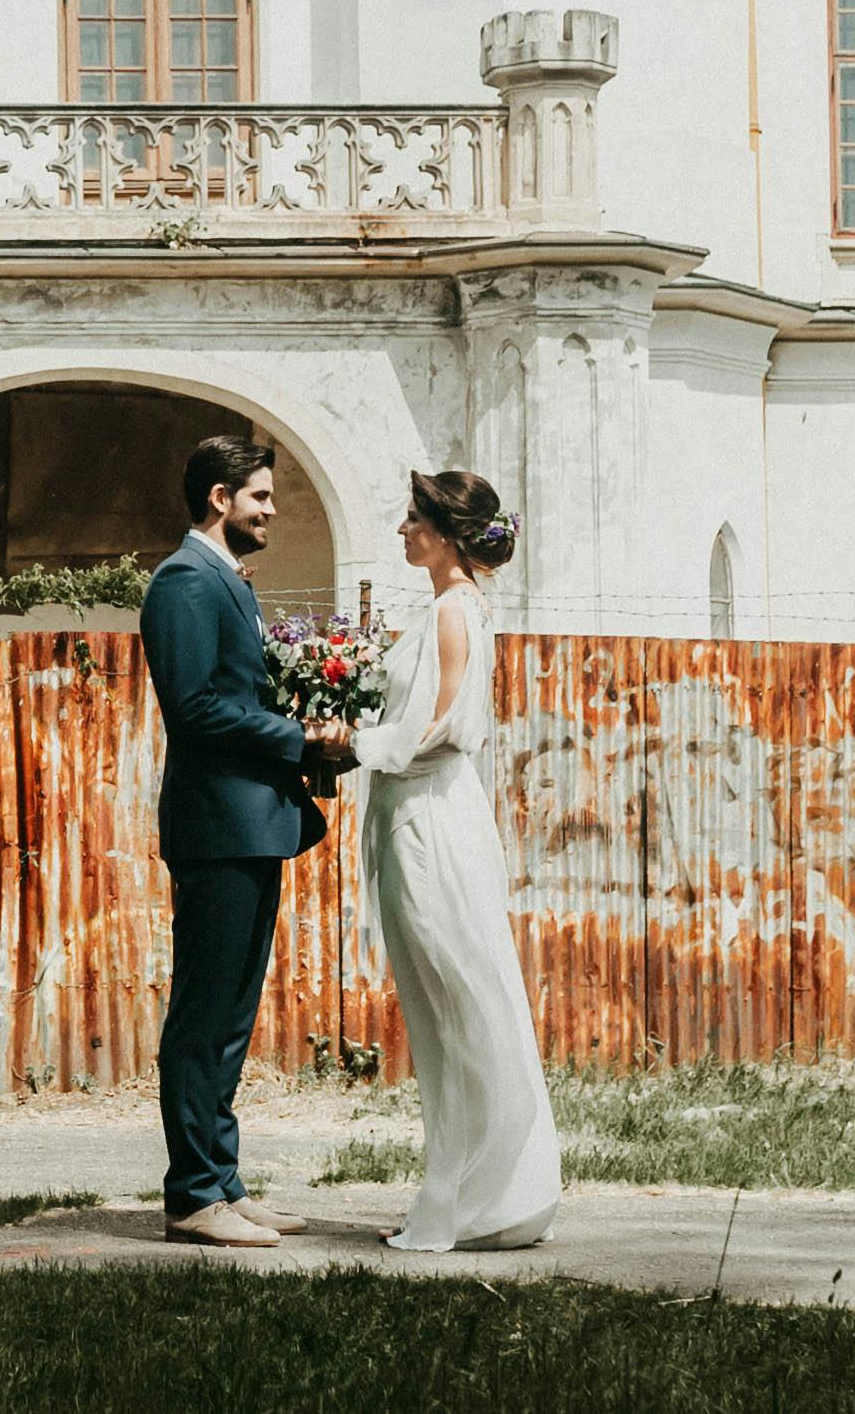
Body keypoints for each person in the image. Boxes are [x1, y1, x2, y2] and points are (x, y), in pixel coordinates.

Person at [310, 469, 561, 1252]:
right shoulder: (453, 609)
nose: (401, 531)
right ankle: (467, 1193)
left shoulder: (456, 611)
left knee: (459, 1006)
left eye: (413, 519)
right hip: (416, 812)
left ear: (448, 534)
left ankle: (478, 1199)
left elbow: (448, 729)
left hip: (430, 822)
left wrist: (355, 742)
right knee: (445, 1009)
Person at [139, 432, 343, 1250]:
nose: (269, 510)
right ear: (220, 499)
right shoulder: (186, 582)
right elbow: (194, 707)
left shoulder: (227, 581)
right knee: (203, 1015)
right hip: (217, 825)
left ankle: (224, 1183)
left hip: (249, 825)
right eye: (259, 496)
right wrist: (299, 738)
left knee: (230, 1016)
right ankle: (192, 1195)